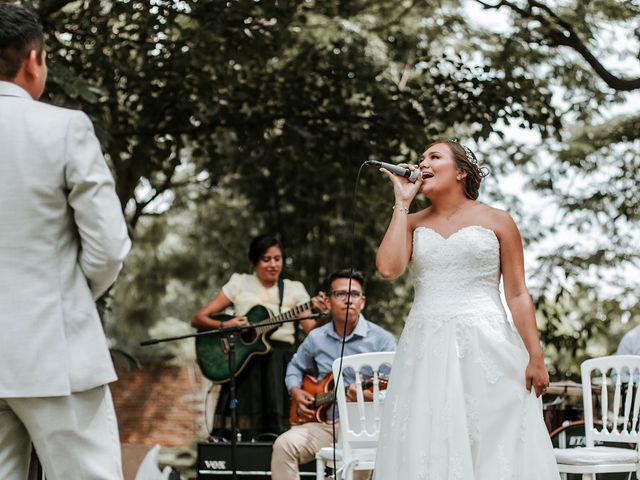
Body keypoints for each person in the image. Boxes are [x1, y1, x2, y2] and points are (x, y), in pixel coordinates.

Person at [373, 140, 559, 479]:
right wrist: (401, 203)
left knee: (494, 443)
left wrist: (535, 354)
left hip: (487, 346)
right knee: (428, 439)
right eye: (420, 158)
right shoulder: (412, 222)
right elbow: (388, 268)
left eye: (434, 156)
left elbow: (517, 294)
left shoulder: (499, 220)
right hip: (426, 346)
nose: (422, 163)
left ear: (461, 172)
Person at [0, 5, 131, 480]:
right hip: (55, 350)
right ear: (33, 59)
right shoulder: (63, 127)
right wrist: (69, 296)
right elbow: (110, 247)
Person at [271, 269, 397, 480]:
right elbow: (294, 366)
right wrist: (295, 390)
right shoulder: (316, 338)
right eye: (340, 294)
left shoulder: (382, 340)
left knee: (354, 470)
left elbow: (398, 387)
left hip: (365, 427)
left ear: (363, 302)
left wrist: (371, 397)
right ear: (328, 302)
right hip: (324, 425)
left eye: (354, 294)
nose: (348, 300)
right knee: (283, 445)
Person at [192, 234, 322, 439]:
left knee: (277, 426)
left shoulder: (294, 289)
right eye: (266, 259)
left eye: (277, 259)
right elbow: (199, 318)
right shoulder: (239, 283)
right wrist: (227, 324)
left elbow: (312, 331)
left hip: (279, 363)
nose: (273, 264)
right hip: (246, 362)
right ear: (253, 262)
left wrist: (323, 313)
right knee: (242, 425)